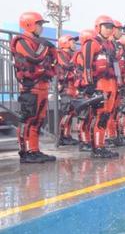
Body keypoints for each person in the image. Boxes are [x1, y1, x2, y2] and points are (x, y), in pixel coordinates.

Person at [10, 11, 57, 163]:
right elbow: (34, 57)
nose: (41, 28)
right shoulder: (21, 41)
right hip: (30, 87)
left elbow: (51, 62)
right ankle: (25, 152)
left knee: (38, 120)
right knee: (28, 120)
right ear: (29, 24)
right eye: (39, 24)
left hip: (42, 86)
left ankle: (34, 150)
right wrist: (45, 46)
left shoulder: (39, 42)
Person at [82, 15, 120, 158]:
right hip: (99, 84)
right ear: (98, 27)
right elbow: (87, 66)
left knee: (106, 116)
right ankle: (96, 147)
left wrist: (119, 82)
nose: (109, 29)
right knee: (99, 116)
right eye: (106, 26)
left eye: (111, 27)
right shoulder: (91, 43)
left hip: (111, 84)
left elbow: (115, 66)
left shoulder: (111, 45)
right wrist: (89, 85)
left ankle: (101, 145)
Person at [74, 29, 97, 152]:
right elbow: (85, 69)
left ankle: (87, 140)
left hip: (88, 87)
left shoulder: (85, 53)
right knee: (84, 117)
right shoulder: (81, 54)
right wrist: (89, 83)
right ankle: (83, 142)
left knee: (89, 116)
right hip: (83, 88)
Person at [56, 34, 79, 146]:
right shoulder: (60, 54)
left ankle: (67, 135)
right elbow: (68, 67)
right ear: (65, 43)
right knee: (66, 113)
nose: (74, 44)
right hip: (65, 87)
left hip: (72, 87)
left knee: (70, 113)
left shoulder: (71, 55)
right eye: (72, 42)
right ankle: (61, 136)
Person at [106, 20, 124, 147]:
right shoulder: (107, 44)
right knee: (107, 111)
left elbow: (119, 65)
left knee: (115, 111)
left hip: (116, 81)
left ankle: (114, 135)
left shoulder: (117, 45)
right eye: (119, 29)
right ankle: (109, 136)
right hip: (107, 82)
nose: (120, 32)